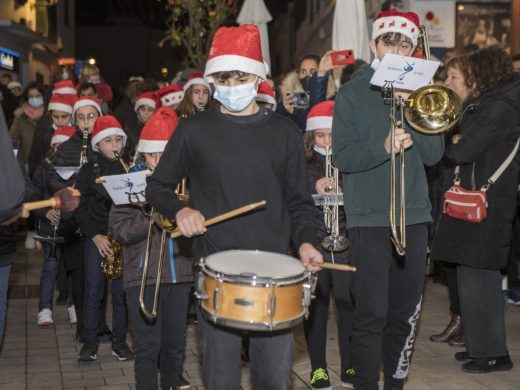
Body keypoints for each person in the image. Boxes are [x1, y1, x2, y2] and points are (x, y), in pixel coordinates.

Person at [146, 24, 323, 390]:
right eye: (222, 80)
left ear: (257, 77)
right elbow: (157, 186)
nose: (231, 88)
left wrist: (307, 242)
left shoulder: (285, 133)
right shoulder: (194, 131)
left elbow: (300, 204)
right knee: (220, 377)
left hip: (275, 270)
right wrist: (180, 211)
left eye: (239, 77)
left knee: (274, 378)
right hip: (216, 268)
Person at [332, 9, 444, 390]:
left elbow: (432, 156)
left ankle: (395, 383)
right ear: (374, 44)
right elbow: (343, 157)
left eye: (405, 44)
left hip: (413, 215)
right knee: (371, 313)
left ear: (414, 49)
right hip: (368, 217)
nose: (396, 51)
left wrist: (413, 106)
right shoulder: (351, 93)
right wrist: (382, 146)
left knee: (405, 313)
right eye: (389, 43)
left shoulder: (421, 93)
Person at [431, 47, 519, 373]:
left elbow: (464, 149)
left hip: (489, 204)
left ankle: (495, 353)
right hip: (478, 200)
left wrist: (456, 140)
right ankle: (479, 347)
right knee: (470, 276)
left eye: (458, 75)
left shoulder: (500, 106)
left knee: (481, 278)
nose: (450, 81)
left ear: (480, 74)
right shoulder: (489, 103)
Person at [109, 107, 192, 390]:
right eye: (152, 154)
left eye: (164, 154)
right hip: (141, 276)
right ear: (143, 154)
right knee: (147, 348)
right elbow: (120, 231)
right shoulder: (127, 186)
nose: (158, 161)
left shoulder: (189, 184)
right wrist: (152, 214)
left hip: (180, 274)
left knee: (174, 345)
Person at [303, 101, 353, 390]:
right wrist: (314, 186)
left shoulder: (348, 160)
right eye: (320, 136)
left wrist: (346, 190)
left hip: (345, 242)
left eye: (331, 135)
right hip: (316, 244)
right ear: (311, 137)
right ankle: (318, 368)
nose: (326, 142)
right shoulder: (303, 162)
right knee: (317, 308)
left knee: (348, 306)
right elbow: (293, 196)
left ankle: (349, 365)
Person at [75, 115, 133, 362]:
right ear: (98, 145)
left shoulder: (130, 167)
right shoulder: (89, 170)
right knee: (94, 291)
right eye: (108, 141)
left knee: (121, 294)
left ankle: (119, 342)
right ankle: (90, 343)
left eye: (118, 139)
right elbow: (79, 206)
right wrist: (95, 236)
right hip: (97, 237)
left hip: (123, 237)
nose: (115, 145)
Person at [428, 54, 475, 348]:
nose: (447, 82)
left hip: (462, 193)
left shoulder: (474, 109)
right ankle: (457, 318)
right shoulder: (453, 107)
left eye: (453, 77)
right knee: (450, 263)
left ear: (471, 80)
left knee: (460, 262)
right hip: (441, 186)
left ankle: (463, 321)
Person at [33, 126, 77, 326]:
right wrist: (44, 211)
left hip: (71, 227)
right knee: (50, 267)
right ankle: (44, 308)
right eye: (58, 146)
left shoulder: (78, 169)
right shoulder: (43, 170)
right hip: (50, 225)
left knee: (72, 268)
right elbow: (35, 198)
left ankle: (74, 305)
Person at [277, 52, 337, 132]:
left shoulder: (332, 98)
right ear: (298, 74)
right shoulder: (290, 97)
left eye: (312, 72)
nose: (307, 75)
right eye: (303, 72)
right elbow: (278, 126)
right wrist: (288, 111)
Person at [28, 93, 77, 177]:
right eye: (56, 117)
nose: (60, 121)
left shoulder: (77, 135)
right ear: (50, 115)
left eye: (64, 117)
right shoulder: (43, 136)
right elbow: (33, 163)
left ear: (71, 115)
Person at [125, 92, 157, 157]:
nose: (146, 113)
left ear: (155, 111)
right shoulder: (130, 130)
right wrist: (134, 151)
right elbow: (124, 153)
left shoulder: (160, 128)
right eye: (142, 110)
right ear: (137, 111)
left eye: (150, 110)